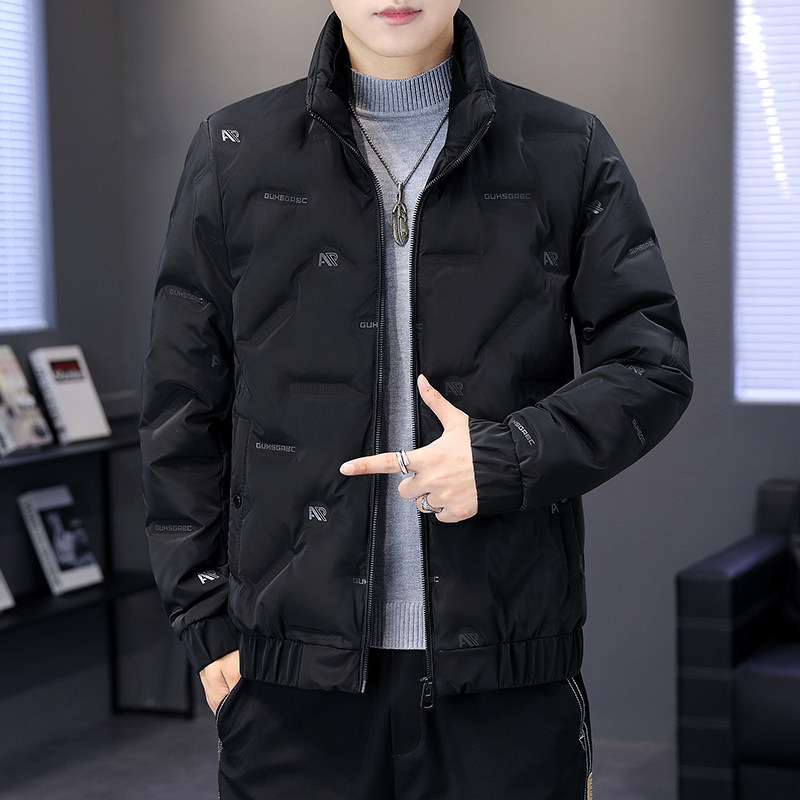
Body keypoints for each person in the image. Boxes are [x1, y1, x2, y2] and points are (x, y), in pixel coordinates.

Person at [140, 2, 692, 798]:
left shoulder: (567, 147)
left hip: (506, 679)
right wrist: (203, 618)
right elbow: (182, 400)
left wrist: (505, 459)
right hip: (289, 687)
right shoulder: (234, 150)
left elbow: (651, 365)